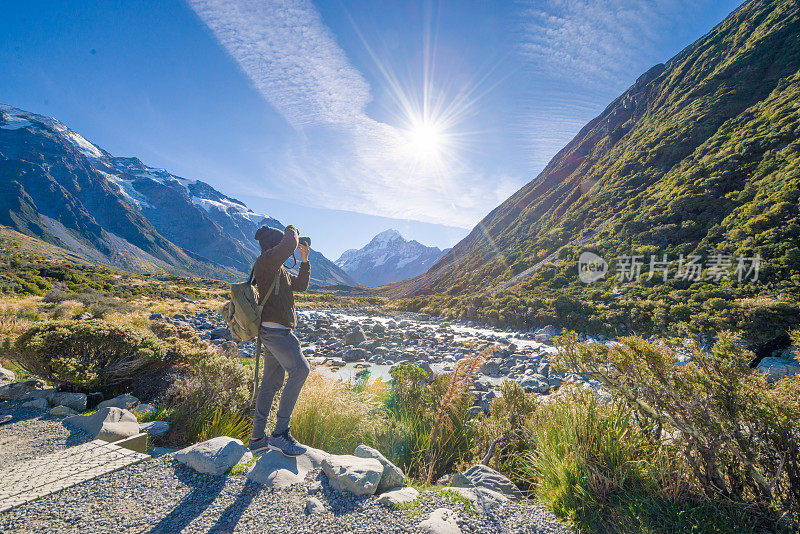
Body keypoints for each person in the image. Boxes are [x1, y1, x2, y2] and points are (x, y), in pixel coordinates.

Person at [248, 224, 311, 456]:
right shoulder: (265, 262)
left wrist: (304, 260)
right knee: (301, 370)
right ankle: (280, 434)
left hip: (276, 332)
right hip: (276, 333)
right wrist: (292, 229)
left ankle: (257, 438)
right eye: (281, 247)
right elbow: (289, 243)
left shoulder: (279, 269)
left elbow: (301, 286)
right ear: (274, 247)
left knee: (271, 382)